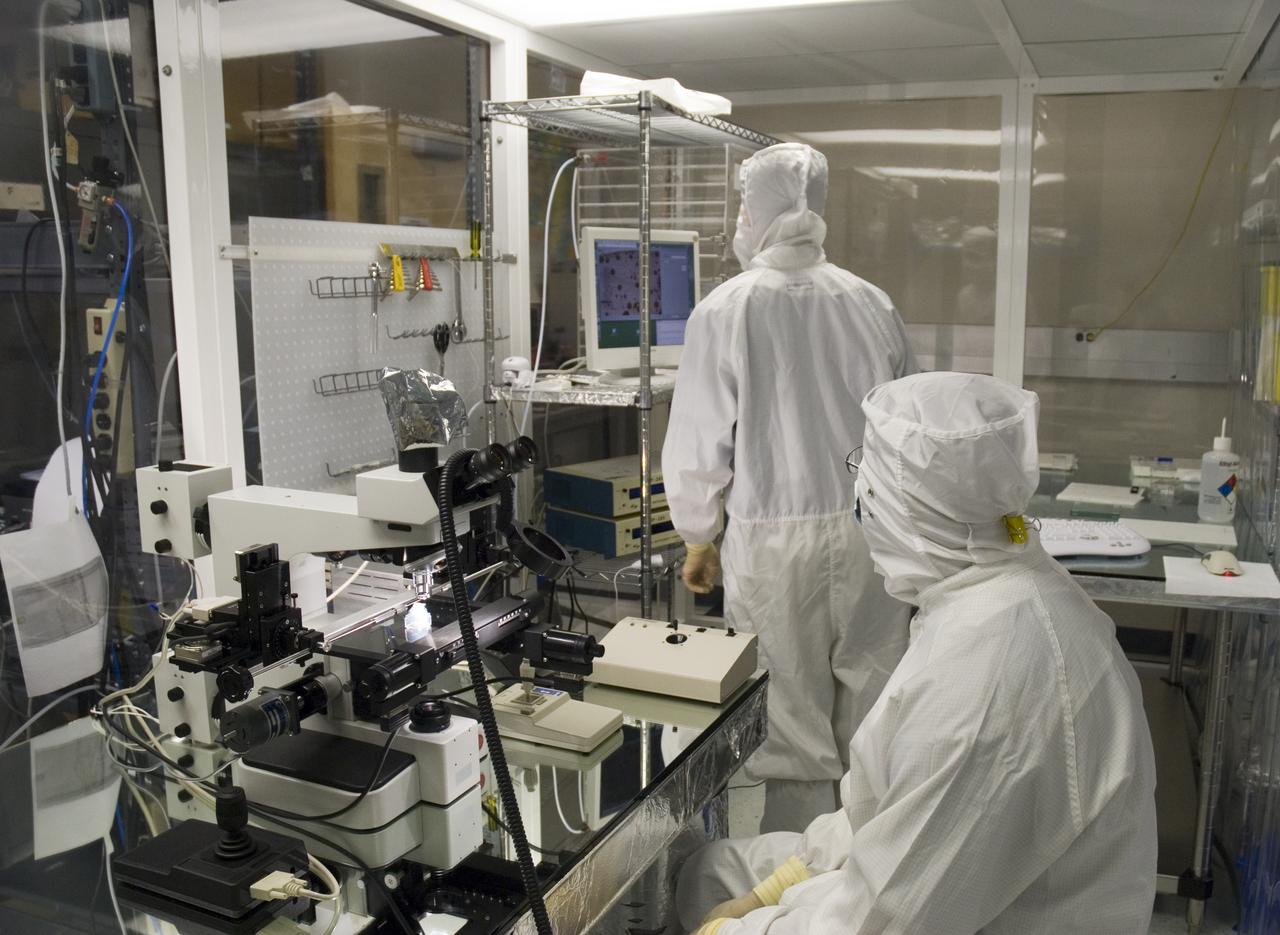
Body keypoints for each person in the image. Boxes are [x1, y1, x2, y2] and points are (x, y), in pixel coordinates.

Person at [675, 371, 1158, 935]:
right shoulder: (1003, 583)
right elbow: (887, 809)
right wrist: (770, 890)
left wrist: (734, 929)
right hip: (948, 879)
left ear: (906, 512)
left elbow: (879, 923)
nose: (860, 506)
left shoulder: (983, 684)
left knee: (710, 900)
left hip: (970, 914)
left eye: (867, 482)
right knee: (710, 872)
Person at [662, 142, 917, 833]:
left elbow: (697, 443)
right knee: (874, 714)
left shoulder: (726, 310)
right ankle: (868, 879)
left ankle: (797, 895)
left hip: (773, 547)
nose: (740, 217)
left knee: (790, 727)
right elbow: (905, 430)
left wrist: (697, 536)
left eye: (745, 203)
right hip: (872, 535)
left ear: (767, 210)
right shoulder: (872, 304)